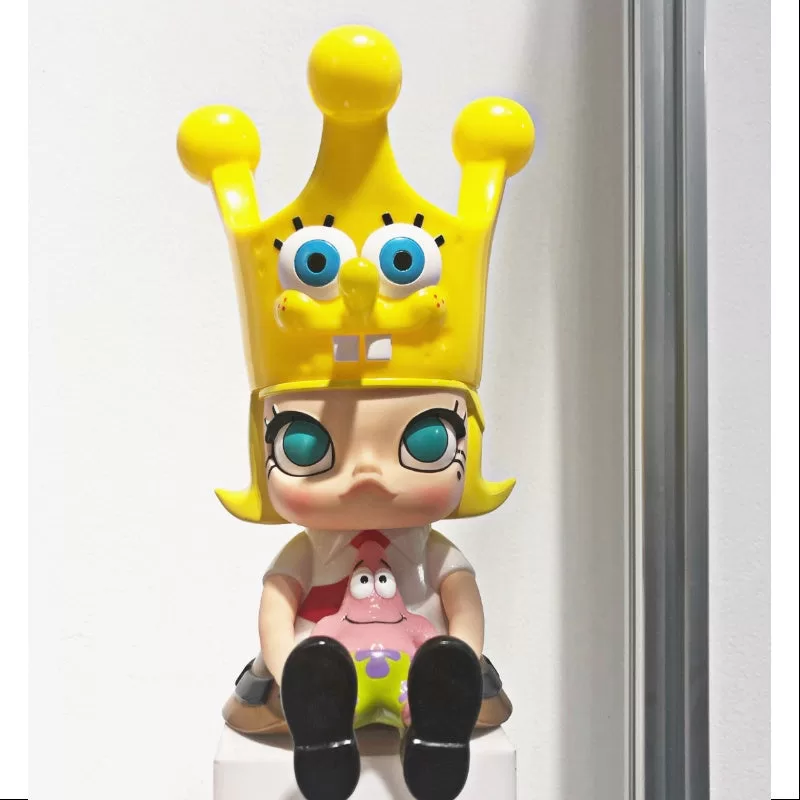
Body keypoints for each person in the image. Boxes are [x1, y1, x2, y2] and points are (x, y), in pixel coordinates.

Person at [178, 23, 534, 800]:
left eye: (424, 442)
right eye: (309, 447)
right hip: (320, 666)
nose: (367, 476)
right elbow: (278, 607)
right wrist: (287, 666)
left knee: (446, 676)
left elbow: (462, 602)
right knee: (312, 675)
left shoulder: (430, 552)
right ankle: (319, 714)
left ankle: (435, 716)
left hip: (419, 666)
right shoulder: (312, 552)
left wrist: (465, 656)